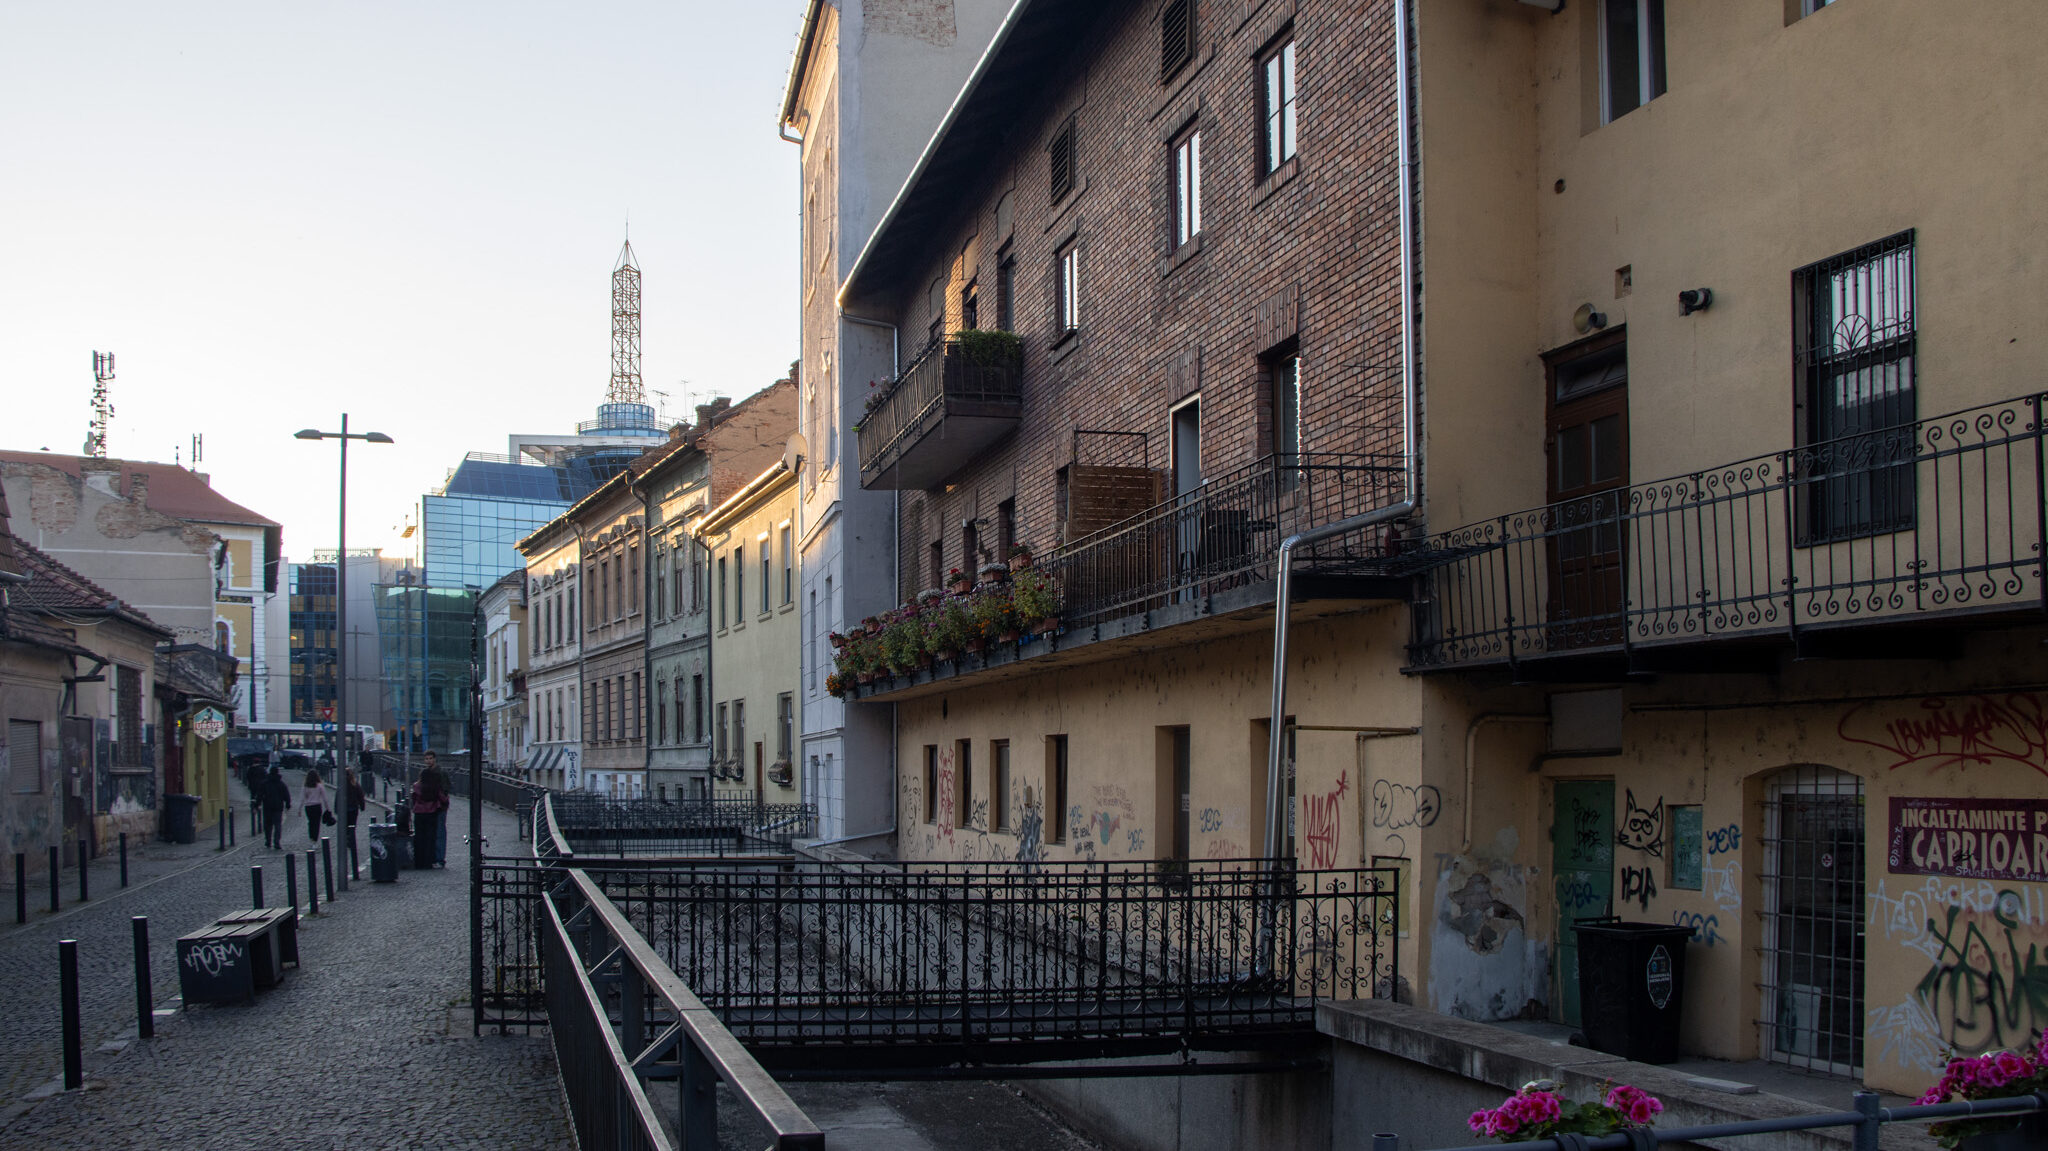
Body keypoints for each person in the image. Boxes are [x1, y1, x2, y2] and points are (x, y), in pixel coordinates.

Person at [410, 760, 447, 870]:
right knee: (431, 838)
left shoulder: (417, 786)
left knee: (419, 837)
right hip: (431, 812)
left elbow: (414, 798)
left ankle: (419, 861)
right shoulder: (434, 786)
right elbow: (442, 798)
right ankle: (429, 861)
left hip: (419, 813)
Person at [425, 751, 450, 866]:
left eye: (430, 758)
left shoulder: (441, 772)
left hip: (439, 806)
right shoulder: (426, 773)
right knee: (433, 832)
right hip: (430, 806)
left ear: (435, 759)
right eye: (427, 759)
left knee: (440, 831)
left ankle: (440, 858)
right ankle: (434, 857)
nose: (429, 761)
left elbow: (446, 788)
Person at [260, 764, 291, 849]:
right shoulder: (281, 784)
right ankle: (276, 842)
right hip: (278, 807)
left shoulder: (265, 783)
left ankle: (268, 841)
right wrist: (288, 804)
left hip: (267, 807)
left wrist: (257, 804)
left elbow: (260, 794)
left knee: (268, 825)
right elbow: (286, 795)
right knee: (278, 825)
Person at [343, 768, 366, 872]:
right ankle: (350, 840)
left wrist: (336, 808)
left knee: (346, 826)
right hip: (353, 808)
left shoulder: (342, 785)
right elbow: (360, 795)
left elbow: (337, 796)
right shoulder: (354, 784)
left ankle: (348, 838)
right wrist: (362, 806)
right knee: (352, 825)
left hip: (344, 809)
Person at [301, 769, 330, 844]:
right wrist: (328, 808)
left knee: (310, 822)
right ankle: (315, 840)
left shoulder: (306, 786)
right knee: (316, 823)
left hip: (308, 807)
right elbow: (325, 799)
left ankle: (311, 838)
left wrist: (299, 809)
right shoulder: (320, 786)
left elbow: (302, 798)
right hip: (317, 806)